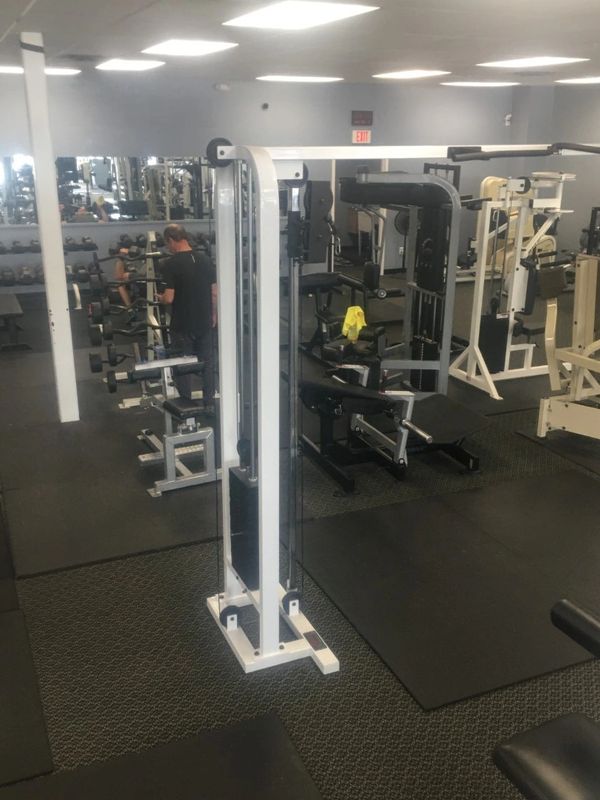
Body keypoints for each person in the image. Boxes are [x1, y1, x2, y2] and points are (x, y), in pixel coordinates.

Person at [156, 224, 217, 410]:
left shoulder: (171, 264)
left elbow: (169, 298)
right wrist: (214, 314)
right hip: (204, 320)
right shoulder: (205, 259)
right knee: (207, 364)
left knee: (183, 365)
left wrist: (159, 297)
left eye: (168, 244)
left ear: (171, 240)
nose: (168, 248)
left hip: (182, 324)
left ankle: (186, 406)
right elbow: (215, 292)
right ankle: (209, 404)